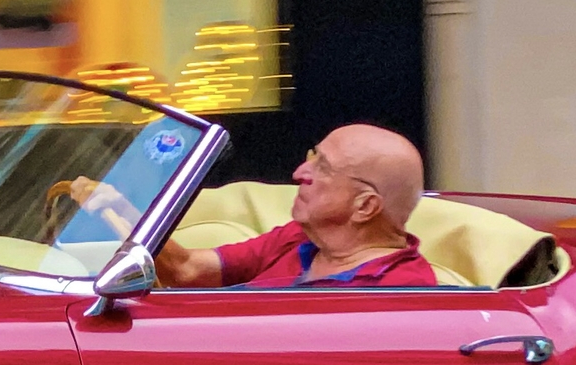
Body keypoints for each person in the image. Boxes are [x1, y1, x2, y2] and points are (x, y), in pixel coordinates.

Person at [70, 123, 437, 288]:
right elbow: (188, 271)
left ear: (365, 206)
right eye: (312, 157)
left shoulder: (403, 291)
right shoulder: (299, 239)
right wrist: (123, 210)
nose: (299, 173)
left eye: (323, 168)